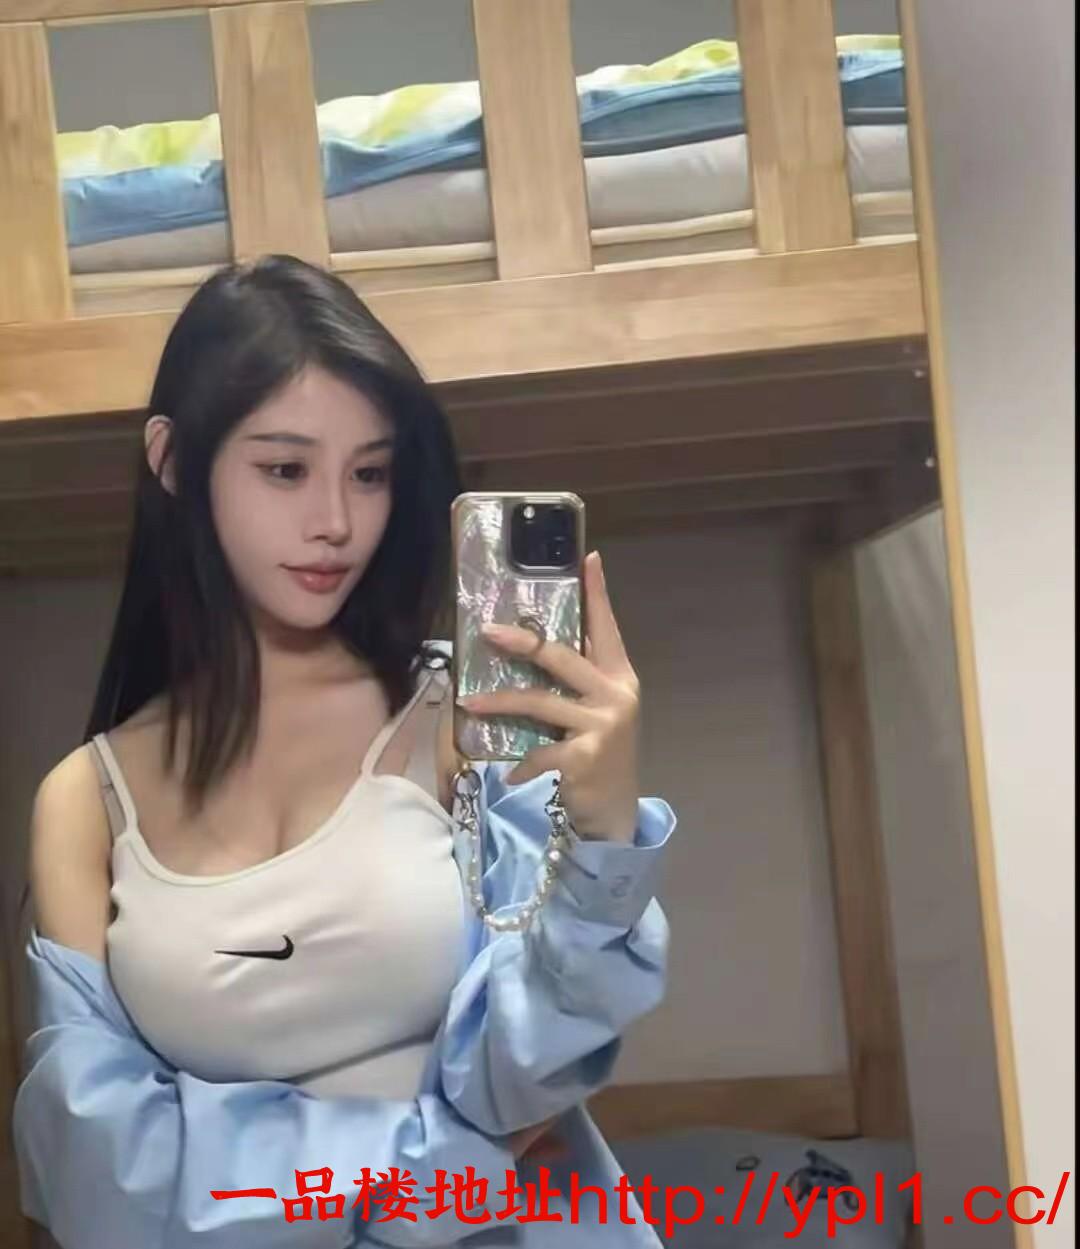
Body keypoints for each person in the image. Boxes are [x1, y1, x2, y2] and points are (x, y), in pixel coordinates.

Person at [13, 254, 678, 1248]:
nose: (335, 522)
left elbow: (538, 1067)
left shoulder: (463, 718)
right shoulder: (85, 802)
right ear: (174, 460)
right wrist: (443, 1163)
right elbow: (97, 1169)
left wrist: (605, 840)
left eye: (369, 473)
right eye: (285, 469)